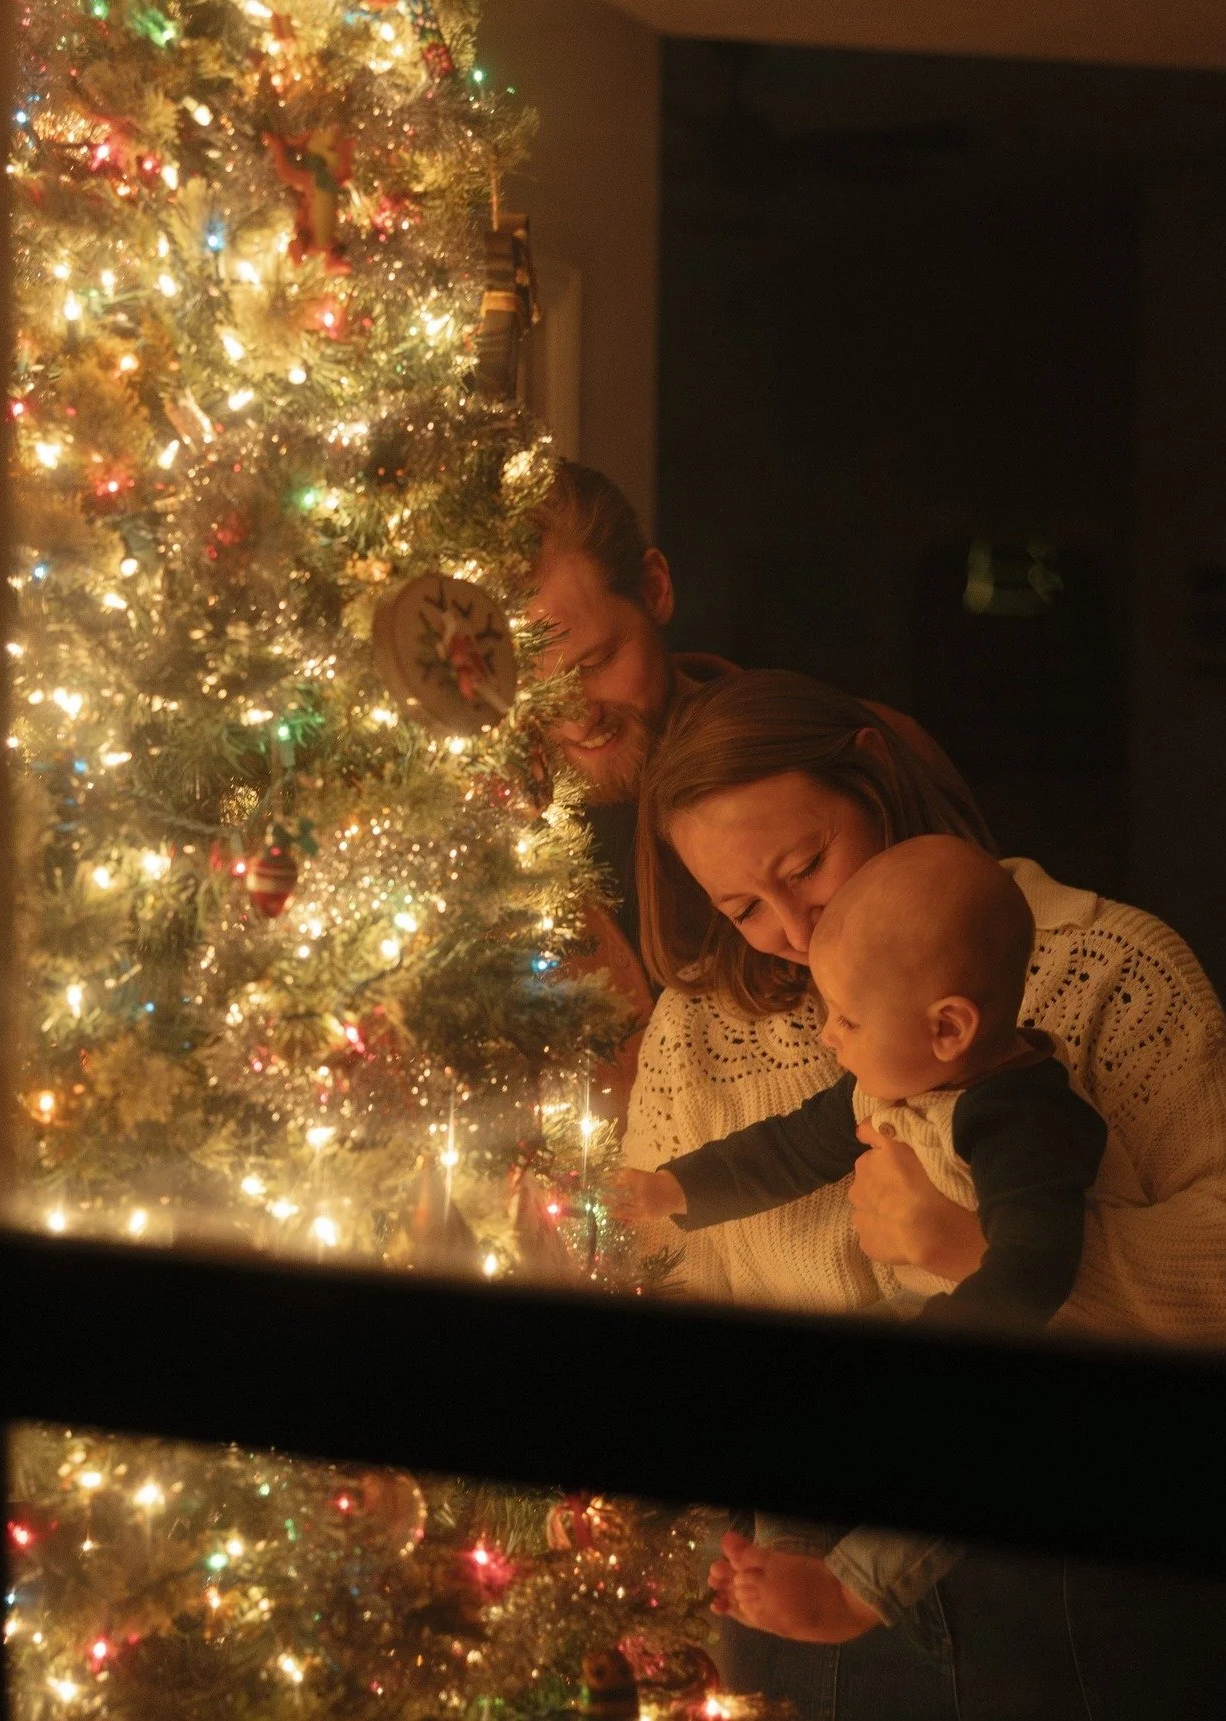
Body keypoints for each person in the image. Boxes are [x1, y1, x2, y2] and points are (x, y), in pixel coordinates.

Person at [623, 666, 1226, 1717]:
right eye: (741, 906)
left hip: (1068, 1586)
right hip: (801, 1592)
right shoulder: (700, 1029)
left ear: (874, 777)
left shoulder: (1110, 972)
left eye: (805, 866)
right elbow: (675, 1274)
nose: (793, 929)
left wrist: (962, 1246)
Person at [525, 462, 968, 1124]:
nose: (574, 716)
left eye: (594, 663)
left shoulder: (859, 756)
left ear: (654, 589)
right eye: (535, 689)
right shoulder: (486, 853)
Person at [615, 833, 1131, 1338]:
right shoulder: (900, 1082)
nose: (827, 1034)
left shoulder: (1025, 1122)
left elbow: (1031, 1273)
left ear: (948, 1029)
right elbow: (788, 1150)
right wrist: (673, 1188)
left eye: (849, 1020)